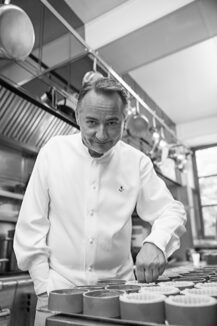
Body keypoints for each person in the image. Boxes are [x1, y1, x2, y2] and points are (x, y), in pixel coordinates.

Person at [14, 77, 186, 325]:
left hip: (120, 294)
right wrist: (43, 286)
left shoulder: (136, 162)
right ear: (77, 116)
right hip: (58, 292)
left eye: (112, 123)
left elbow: (172, 210)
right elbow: (32, 223)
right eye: (92, 122)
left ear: (124, 122)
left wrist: (157, 243)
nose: (102, 135)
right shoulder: (53, 152)